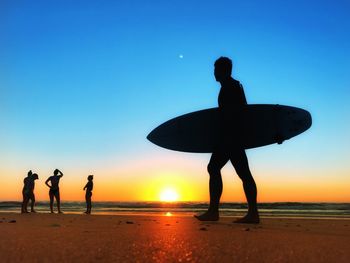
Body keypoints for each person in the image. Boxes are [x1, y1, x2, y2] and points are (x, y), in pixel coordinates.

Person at [195, 56, 259, 223]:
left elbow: (236, 115)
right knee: (243, 173)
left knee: (214, 167)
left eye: (216, 69)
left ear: (224, 70)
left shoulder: (230, 87)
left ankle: (214, 212)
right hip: (234, 137)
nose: (213, 72)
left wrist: (223, 137)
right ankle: (253, 213)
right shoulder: (233, 86)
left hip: (230, 137)